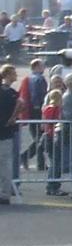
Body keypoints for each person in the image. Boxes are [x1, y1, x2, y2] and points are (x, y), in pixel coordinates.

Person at [0, 65, 18, 203]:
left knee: (5, 164)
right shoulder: (10, 92)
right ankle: (5, 193)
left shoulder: (9, 92)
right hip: (6, 132)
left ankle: (5, 192)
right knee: (5, 164)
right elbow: (20, 103)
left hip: (5, 131)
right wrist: (13, 117)